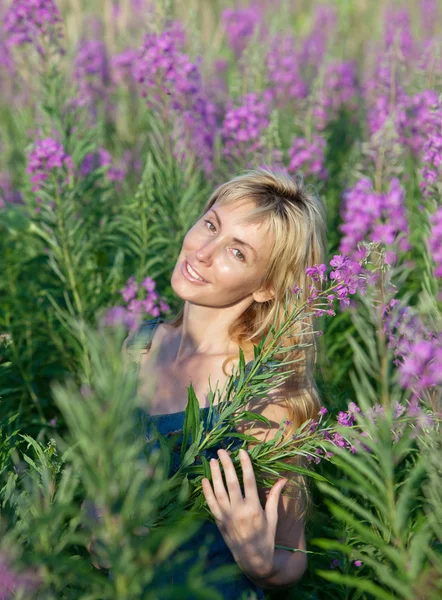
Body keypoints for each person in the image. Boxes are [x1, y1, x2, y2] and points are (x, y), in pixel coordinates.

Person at [122, 165, 327, 598]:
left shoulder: (264, 392)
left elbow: (291, 555)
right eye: (211, 225)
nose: (203, 252)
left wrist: (261, 563)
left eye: (238, 253)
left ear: (267, 288)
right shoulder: (140, 345)